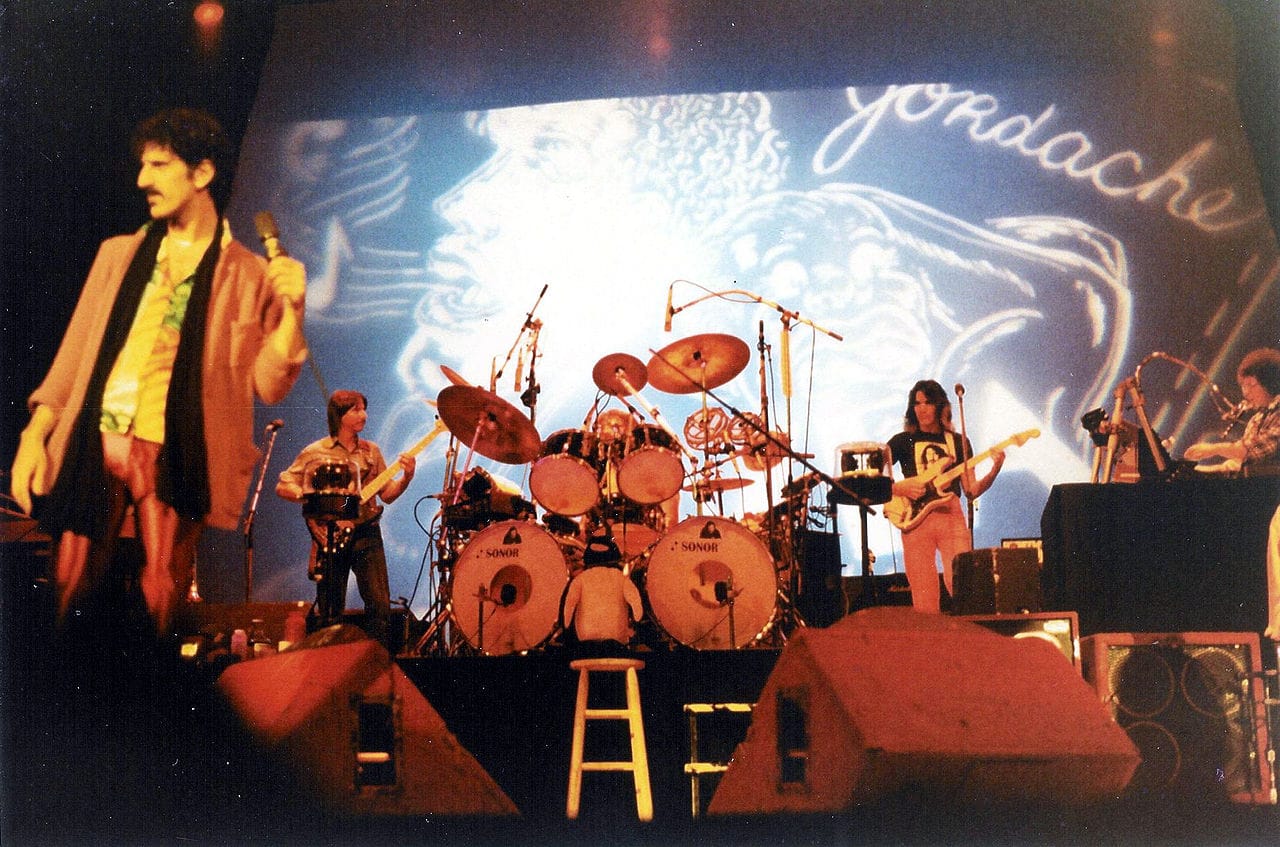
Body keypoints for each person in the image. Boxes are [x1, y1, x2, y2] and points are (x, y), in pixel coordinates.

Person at [9, 108, 308, 638]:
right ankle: (58, 701)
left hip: (174, 446)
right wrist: (36, 433)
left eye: (160, 164)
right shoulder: (118, 255)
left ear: (202, 173)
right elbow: (75, 353)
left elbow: (268, 383)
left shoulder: (246, 272)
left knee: (161, 585)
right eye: (143, 165)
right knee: (69, 582)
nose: (144, 179)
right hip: (98, 436)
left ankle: (148, 704)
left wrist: (293, 314)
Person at [275, 390, 416, 647]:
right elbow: (284, 484)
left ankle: (377, 666)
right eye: (356, 409)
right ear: (340, 415)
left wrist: (406, 478)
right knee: (330, 610)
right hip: (331, 535)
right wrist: (312, 499)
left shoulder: (371, 451)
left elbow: (388, 495)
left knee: (380, 606)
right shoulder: (315, 452)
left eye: (364, 408)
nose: (364, 414)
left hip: (367, 533)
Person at [886, 379, 1005, 613]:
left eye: (928, 403)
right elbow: (876, 478)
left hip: (950, 514)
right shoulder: (902, 441)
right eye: (917, 403)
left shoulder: (957, 442)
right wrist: (899, 488)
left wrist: (995, 469)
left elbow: (971, 490)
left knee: (962, 583)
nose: (921, 409)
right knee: (924, 593)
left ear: (940, 406)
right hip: (915, 519)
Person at [1184, 347, 1280, 477]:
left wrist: (1214, 449)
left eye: (1251, 385)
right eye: (1243, 386)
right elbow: (1240, 463)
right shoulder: (1256, 419)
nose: (1245, 393)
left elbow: (1252, 450)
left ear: (1269, 382)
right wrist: (1200, 472)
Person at [560, 535, 644, 655]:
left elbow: (570, 603)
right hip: (616, 638)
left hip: (586, 637)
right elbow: (634, 599)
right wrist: (637, 618)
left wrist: (567, 624)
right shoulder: (620, 578)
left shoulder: (581, 579)